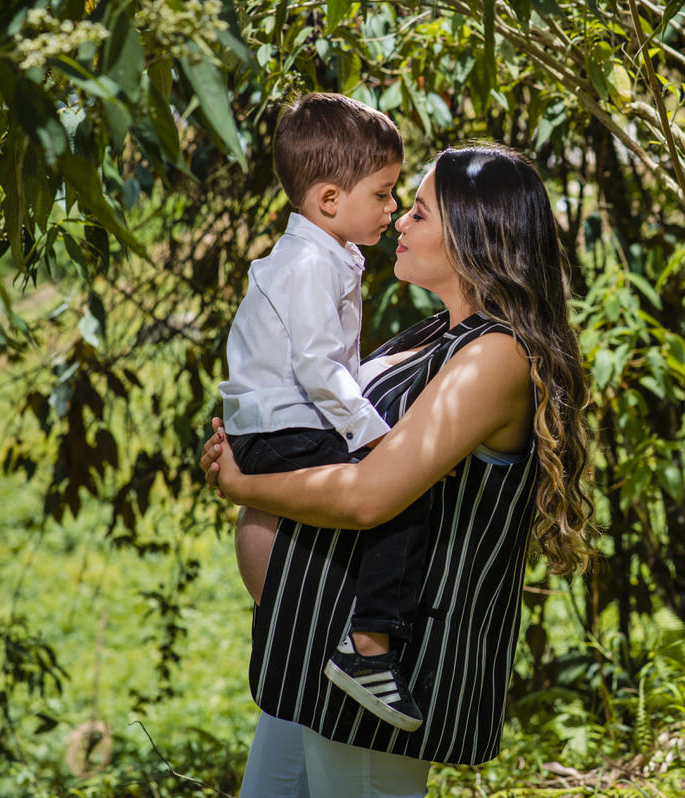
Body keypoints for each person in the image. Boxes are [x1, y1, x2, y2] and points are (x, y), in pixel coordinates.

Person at [202, 144, 594, 798]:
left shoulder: (492, 357)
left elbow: (367, 496)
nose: (397, 225)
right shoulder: (431, 335)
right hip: (313, 648)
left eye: (417, 212)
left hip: (378, 672)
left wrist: (243, 485)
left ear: (476, 234)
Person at [218, 91, 426, 732]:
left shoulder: (326, 254)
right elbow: (316, 365)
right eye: (385, 194)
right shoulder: (310, 261)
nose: (393, 210)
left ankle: (325, 647)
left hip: (281, 422)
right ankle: (367, 648)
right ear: (330, 200)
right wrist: (374, 434)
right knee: (396, 496)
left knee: (379, 502)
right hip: (285, 425)